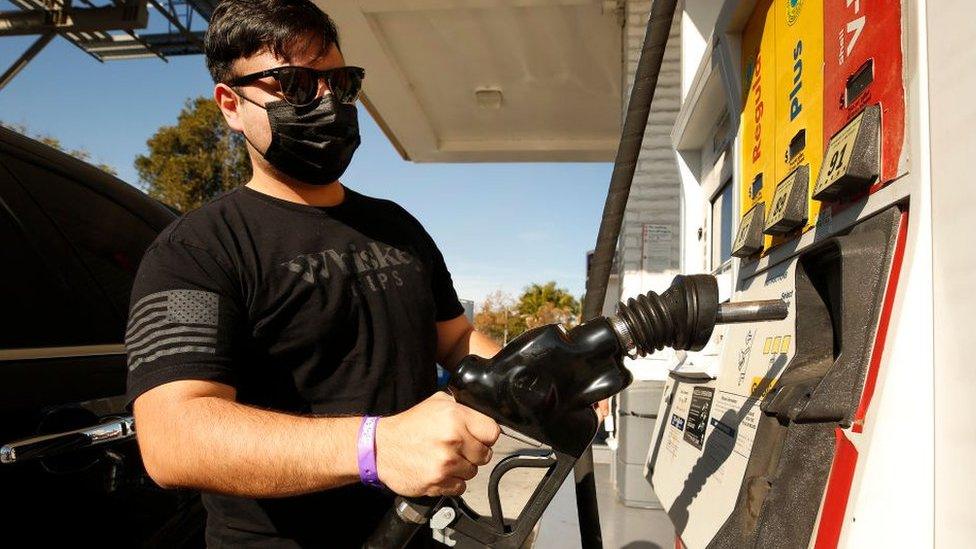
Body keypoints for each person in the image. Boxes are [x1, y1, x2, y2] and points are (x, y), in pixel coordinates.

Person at [123, 0, 503, 546]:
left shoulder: (396, 225)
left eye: (340, 83)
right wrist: (376, 447)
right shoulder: (197, 249)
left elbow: (457, 337)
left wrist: (537, 373)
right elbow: (172, 438)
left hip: (418, 533)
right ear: (231, 104)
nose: (326, 100)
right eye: (295, 85)